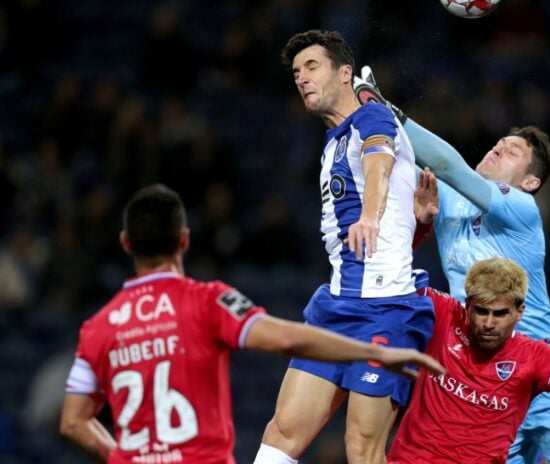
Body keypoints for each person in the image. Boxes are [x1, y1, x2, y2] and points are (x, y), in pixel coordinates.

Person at [59, 184, 444, 463]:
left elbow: (73, 423)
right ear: (183, 240)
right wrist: (371, 351)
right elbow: (286, 340)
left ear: (126, 243)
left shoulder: (98, 327)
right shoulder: (209, 301)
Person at [353, 67, 550, 463]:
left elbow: (450, 165)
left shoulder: (522, 208)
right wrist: (422, 220)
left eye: (512, 152)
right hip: (489, 389)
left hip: (541, 372)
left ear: (530, 182)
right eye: (498, 143)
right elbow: (397, 249)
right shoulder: (446, 200)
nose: (496, 149)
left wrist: (387, 111)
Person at [253, 30, 436, 464]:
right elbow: (391, 228)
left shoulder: (372, 119)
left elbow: (379, 161)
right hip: (337, 305)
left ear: (345, 73)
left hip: (386, 309)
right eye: (296, 72)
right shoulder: (333, 141)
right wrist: (417, 224)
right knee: (282, 432)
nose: (301, 78)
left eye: (312, 66)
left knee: (361, 449)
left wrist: (369, 214)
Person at [388, 257, 550, 463]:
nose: (488, 323)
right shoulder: (444, 312)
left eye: (500, 314)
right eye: (481, 311)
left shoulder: (536, 356)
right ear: (468, 304)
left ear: (520, 312)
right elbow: (392, 277)